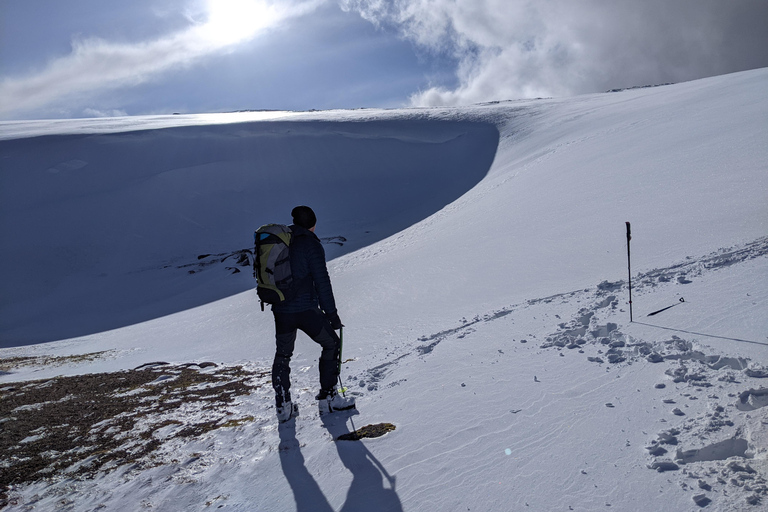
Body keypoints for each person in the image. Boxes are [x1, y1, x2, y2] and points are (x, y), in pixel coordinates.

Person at [271, 205, 355, 422]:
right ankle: (327, 399)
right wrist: (332, 314)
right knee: (331, 344)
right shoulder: (310, 244)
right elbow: (322, 282)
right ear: (313, 225)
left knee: (283, 355)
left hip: (281, 310)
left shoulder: (280, 241)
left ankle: (283, 407)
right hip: (306, 309)